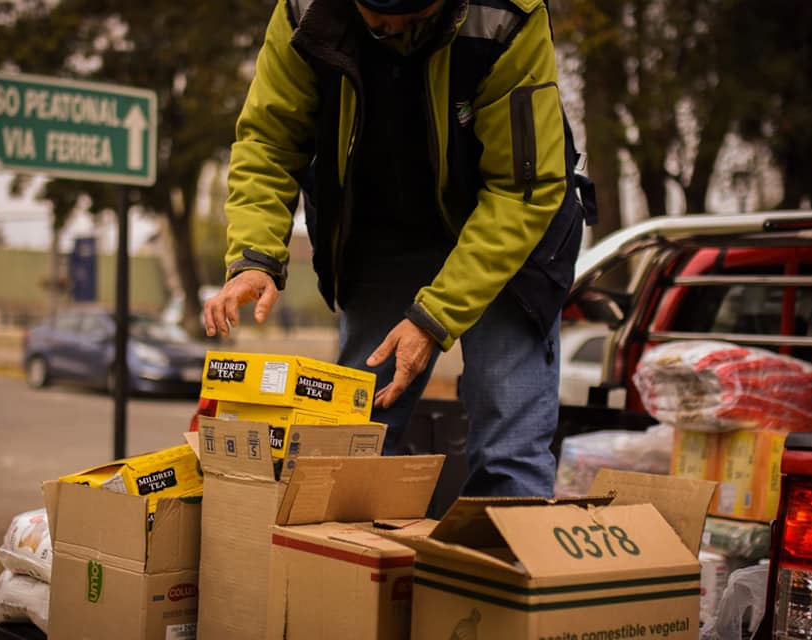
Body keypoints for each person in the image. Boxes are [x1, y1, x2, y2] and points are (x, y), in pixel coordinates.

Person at [203, 0, 595, 498]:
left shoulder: (506, 15)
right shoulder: (305, 9)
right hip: (385, 229)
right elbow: (269, 141)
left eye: (411, 15)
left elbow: (521, 191)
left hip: (507, 229)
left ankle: (499, 567)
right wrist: (255, 256)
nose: (389, 28)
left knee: (507, 448)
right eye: (375, 12)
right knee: (357, 432)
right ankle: (351, 568)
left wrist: (435, 318)